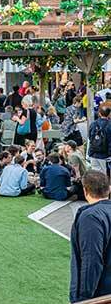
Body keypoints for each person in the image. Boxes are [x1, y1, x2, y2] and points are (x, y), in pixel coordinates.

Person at [70, 171, 111, 302]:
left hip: (100, 293)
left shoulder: (91, 216)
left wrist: (84, 298)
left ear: (85, 190)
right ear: (108, 189)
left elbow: (92, 259)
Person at [88, 105, 111, 174]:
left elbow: (90, 137)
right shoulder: (109, 125)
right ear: (109, 114)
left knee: (95, 174)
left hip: (93, 152)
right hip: (105, 154)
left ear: (99, 113)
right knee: (103, 175)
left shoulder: (93, 124)